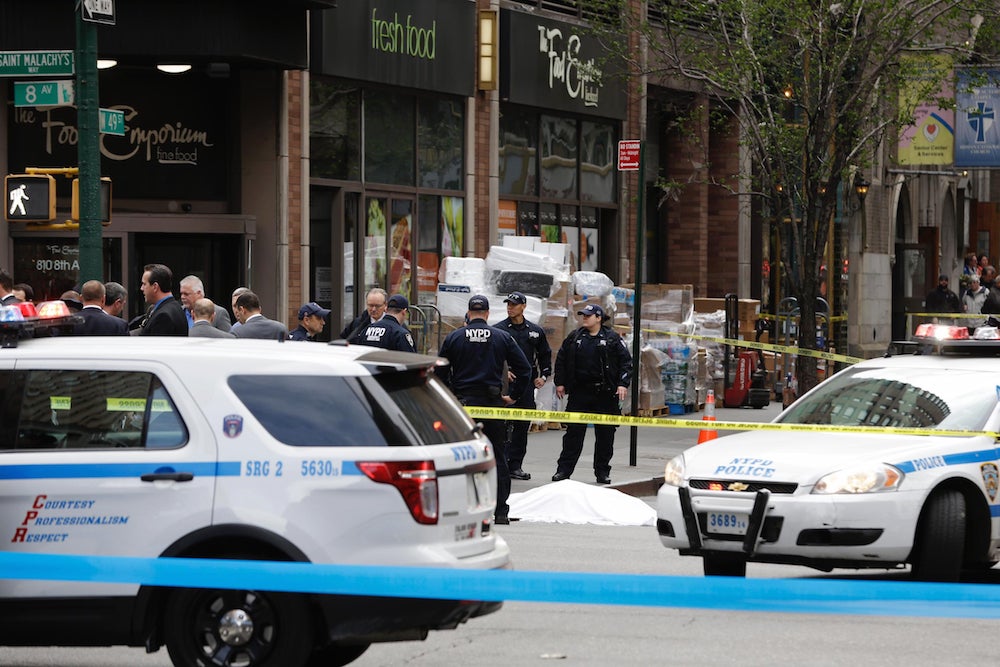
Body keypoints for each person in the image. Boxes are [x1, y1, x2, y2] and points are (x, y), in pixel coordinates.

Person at [437, 295, 531, 525]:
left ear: (469, 313)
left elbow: (439, 372)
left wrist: (449, 395)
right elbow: (525, 369)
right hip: (492, 406)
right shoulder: (502, 337)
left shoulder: (455, 337)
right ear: (487, 314)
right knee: (497, 457)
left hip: (463, 407)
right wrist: (513, 396)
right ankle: (500, 511)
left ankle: (462, 509)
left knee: (460, 458)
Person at [552, 303, 633, 485]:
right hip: (580, 393)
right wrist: (560, 383)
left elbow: (626, 363)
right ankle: (563, 471)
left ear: (598, 318)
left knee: (605, 436)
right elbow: (562, 359)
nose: (584, 318)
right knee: (573, 435)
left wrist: (622, 384)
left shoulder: (612, 338)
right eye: (583, 315)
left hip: (604, 394)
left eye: (588, 315)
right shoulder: (575, 337)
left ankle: (602, 472)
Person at [495, 291, 552, 481]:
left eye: (513, 304)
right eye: (508, 304)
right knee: (502, 425)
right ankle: (501, 463)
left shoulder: (535, 331)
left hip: (526, 384)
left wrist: (543, 376)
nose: (510, 307)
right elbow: (492, 356)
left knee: (522, 425)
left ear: (523, 306)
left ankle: (515, 465)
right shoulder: (500, 329)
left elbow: (545, 355)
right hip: (506, 385)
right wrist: (503, 372)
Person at [348, 293, 415, 352]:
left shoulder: (367, 329)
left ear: (386, 309)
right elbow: (411, 359)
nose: (373, 309)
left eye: (377, 306)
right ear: (404, 312)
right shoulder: (400, 333)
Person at [138, 263, 188, 336]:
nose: (141, 288)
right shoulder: (175, 307)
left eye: (144, 284)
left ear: (155, 286)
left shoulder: (163, 316)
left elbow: (155, 346)